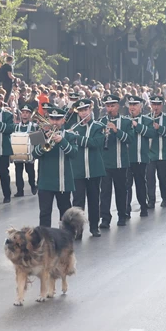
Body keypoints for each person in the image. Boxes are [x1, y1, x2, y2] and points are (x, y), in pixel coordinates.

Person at [31, 107, 78, 227]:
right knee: (45, 213)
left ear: (63, 120)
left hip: (63, 181)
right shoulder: (38, 133)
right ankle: (44, 240)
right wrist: (45, 140)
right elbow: (34, 154)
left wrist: (62, 141)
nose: (55, 122)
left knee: (65, 214)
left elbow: (74, 154)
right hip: (45, 181)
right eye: (52, 119)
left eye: (58, 119)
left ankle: (65, 238)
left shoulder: (70, 135)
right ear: (48, 119)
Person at [71, 99, 105, 236]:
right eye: (80, 110)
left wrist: (77, 139)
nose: (83, 113)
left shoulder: (98, 126)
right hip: (78, 170)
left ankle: (94, 227)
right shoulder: (74, 128)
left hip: (94, 169)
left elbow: (96, 143)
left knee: (93, 199)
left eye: (85, 110)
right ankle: (77, 230)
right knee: (78, 202)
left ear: (90, 110)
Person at [99, 94, 134, 227]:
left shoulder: (126, 122)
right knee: (105, 192)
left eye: (112, 106)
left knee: (121, 190)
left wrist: (116, 130)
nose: (110, 109)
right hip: (105, 163)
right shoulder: (101, 122)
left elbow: (130, 139)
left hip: (120, 163)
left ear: (118, 106)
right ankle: (105, 219)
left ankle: (122, 215)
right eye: (107, 106)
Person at [125, 95, 154, 218]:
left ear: (140, 107)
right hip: (126, 158)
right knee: (126, 186)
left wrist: (137, 125)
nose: (132, 108)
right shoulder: (124, 120)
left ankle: (143, 207)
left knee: (140, 184)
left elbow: (151, 133)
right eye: (131, 105)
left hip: (141, 158)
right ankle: (126, 209)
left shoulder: (147, 120)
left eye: (135, 105)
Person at [146, 95, 166, 209]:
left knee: (163, 178)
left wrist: (160, 128)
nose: (155, 107)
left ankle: (165, 198)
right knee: (150, 179)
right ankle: (151, 200)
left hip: (163, 154)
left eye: (158, 105)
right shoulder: (147, 118)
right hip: (150, 154)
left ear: (162, 105)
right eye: (153, 104)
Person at [13, 104, 38, 197]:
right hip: (18, 153)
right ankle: (20, 190)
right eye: (23, 112)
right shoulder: (16, 126)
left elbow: (36, 141)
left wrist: (34, 154)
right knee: (18, 172)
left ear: (30, 115)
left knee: (30, 171)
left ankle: (33, 185)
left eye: (27, 113)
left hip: (29, 153)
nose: (24, 114)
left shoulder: (34, 126)